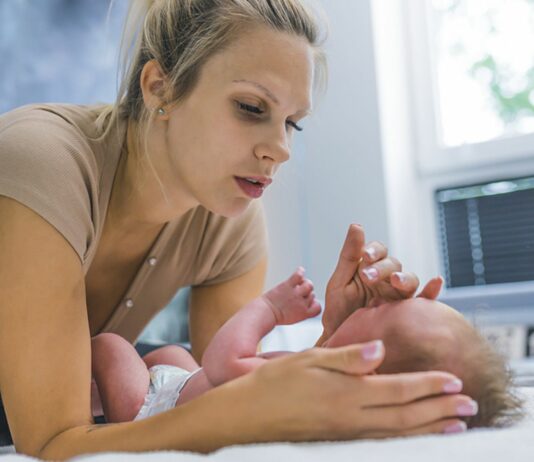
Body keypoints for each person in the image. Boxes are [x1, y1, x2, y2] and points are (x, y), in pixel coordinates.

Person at [0, 0, 475, 459]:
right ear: (159, 87)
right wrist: (250, 412)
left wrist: (335, 346)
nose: (281, 149)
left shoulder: (232, 223)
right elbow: (49, 443)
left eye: (292, 123)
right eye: (251, 107)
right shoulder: (43, 161)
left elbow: (222, 385)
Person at [91, 270, 522, 431]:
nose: (375, 300)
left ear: (365, 367)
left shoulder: (296, 387)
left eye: (380, 313)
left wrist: (268, 309)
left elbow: (222, 362)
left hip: (152, 416)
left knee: (110, 346)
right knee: (169, 352)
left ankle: (82, 406)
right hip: (183, 387)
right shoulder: (319, 390)